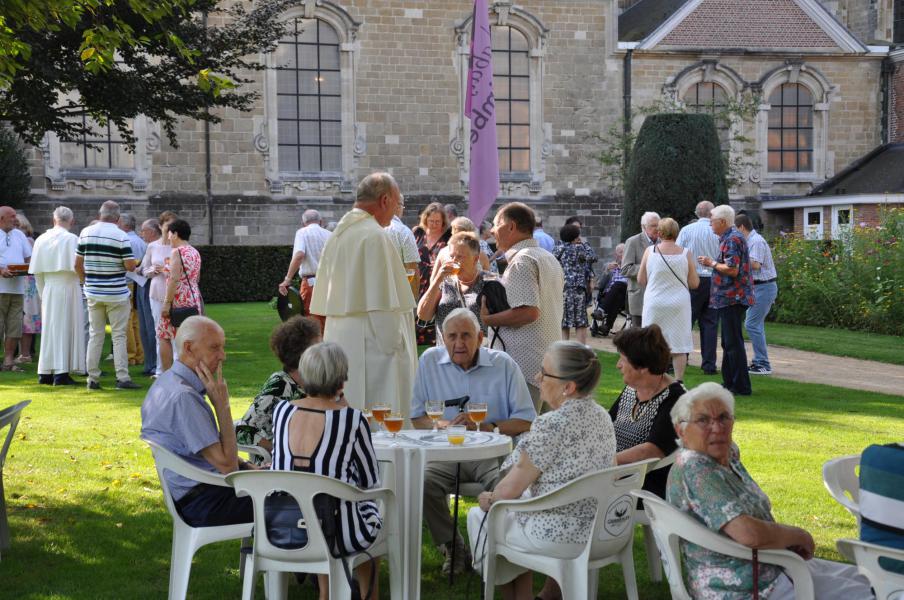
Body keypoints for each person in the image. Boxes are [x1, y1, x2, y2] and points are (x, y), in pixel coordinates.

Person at [668, 382, 873, 600]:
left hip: (774, 566)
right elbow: (749, 534)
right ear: (681, 429)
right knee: (876, 593)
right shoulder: (696, 469)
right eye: (703, 420)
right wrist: (798, 536)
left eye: (723, 418)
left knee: (875, 580)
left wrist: (784, 544)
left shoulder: (726, 455)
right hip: (747, 587)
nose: (717, 428)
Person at [467, 341, 616, 600]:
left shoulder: (550, 424)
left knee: (479, 517)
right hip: (602, 528)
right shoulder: (602, 416)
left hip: (558, 535)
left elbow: (508, 491)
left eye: (545, 373)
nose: (538, 378)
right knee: (507, 514)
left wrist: (489, 498)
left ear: (568, 387)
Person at [410, 309, 535, 574]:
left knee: (504, 489)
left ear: (480, 337)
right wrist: (444, 426)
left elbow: (526, 420)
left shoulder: (503, 364)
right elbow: (417, 417)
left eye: (466, 336)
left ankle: (507, 553)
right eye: (452, 336)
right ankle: (454, 548)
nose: (459, 343)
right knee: (422, 482)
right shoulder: (429, 361)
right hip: (445, 453)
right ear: (442, 339)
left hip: (488, 454)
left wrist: (489, 426)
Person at [269, 341, 381, 599]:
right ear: (341, 379)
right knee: (370, 510)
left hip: (282, 525)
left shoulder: (282, 411)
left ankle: (327, 592)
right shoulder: (352, 419)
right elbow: (369, 480)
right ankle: (368, 595)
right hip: (335, 531)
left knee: (324, 501)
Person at [310, 172, 417, 417]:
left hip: (340, 340)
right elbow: (384, 308)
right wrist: (398, 346)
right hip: (373, 347)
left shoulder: (337, 234)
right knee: (378, 417)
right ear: (385, 200)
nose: (396, 211)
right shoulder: (375, 236)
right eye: (397, 203)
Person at [141, 316, 256, 527]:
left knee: (287, 494)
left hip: (199, 495)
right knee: (299, 500)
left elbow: (216, 453)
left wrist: (250, 468)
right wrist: (223, 407)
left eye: (223, 347)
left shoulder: (166, 381)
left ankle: (262, 558)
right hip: (204, 502)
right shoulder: (184, 397)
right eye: (215, 348)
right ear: (189, 348)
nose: (223, 356)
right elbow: (227, 467)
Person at [481, 202, 564, 412]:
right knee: (543, 437)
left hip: (525, 368)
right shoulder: (547, 257)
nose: (491, 230)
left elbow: (529, 312)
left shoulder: (522, 261)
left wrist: (488, 319)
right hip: (547, 362)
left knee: (521, 433)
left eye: (496, 224)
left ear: (511, 226)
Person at [609, 325, 684, 498]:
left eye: (622, 359)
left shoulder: (675, 399)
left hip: (642, 483)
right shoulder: (633, 389)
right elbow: (606, 424)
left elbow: (651, 451)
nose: (618, 365)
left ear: (642, 366)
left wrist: (602, 462)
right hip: (614, 473)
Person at [235, 315, 322, 460]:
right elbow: (242, 431)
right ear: (302, 354)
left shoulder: (316, 382)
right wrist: (280, 450)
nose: (324, 352)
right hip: (279, 470)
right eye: (318, 347)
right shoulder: (280, 384)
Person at [76, 200, 139, 390]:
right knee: (119, 336)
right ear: (118, 218)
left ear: (100, 214)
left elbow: (77, 264)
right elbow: (129, 265)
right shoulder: (120, 235)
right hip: (117, 293)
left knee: (96, 336)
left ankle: (92, 379)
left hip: (93, 292)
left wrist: (85, 282)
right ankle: (122, 377)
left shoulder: (85, 232)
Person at [698, 205, 754, 396]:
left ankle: (741, 386)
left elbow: (732, 269)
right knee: (729, 342)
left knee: (733, 343)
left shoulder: (731, 239)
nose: (710, 224)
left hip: (732, 296)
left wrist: (711, 263)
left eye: (712, 220)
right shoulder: (730, 238)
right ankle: (730, 382)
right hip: (729, 297)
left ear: (722, 222)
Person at [28, 206, 85, 385]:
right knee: (65, 329)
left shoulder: (41, 239)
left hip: (50, 289)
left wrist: (43, 293)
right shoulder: (72, 239)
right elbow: (78, 267)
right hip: (69, 287)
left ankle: (45, 372)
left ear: (54, 220)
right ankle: (60, 373)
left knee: (51, 330)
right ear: (72, 221)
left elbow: (37, 273)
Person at [638, 217, 699, 382]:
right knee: (679, 344)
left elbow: (641, 279)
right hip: (678, 303)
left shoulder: (650, 252)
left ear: (659, 232)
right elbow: (694, 283)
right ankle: (678, 381)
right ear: (676, 232)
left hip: (655, 301)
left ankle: (652, 378)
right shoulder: (686, 253)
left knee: (652, 343)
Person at [417, 231, 490, 345]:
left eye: (460, 257)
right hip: (446, 353)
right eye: (451, 256)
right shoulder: (444, 282)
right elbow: (423, 315)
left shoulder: (488, 282)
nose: (454, 261)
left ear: (475, 259)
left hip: (479, 353)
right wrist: (437, 280)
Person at [676, 201, 721, 375]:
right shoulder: (716, 231)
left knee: (687, 321)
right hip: (713, 279)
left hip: (692, 280)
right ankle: (709, 364)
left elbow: (678, 253)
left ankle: (682, 358)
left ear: (696, 213)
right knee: (710, 323)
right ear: (712, 214)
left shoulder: (687, 230)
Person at [736, 214, 778, 376]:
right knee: (755, 324)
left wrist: (735, 262)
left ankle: (763, 363)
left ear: (741, 227)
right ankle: (759, 361)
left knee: (751, 324)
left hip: (764, 287)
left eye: (735, 229)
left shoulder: (756, 241)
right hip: (758, 287)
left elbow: (755, 264)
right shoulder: (750, 241)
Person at [158, 219, 203, 372]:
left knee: (164, 335)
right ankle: (191, 373)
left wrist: (167, 303)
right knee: (188, 338)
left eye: (169, 234)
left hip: (178, 299)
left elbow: (174, 279)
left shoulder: (177, 252)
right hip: (193, 297)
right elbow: (196, 278)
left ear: (175, 234)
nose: (168, 237)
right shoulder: (194, 252)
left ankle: (168, 375)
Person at [278, 208, 331, 329]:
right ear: (321, 221)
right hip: (330, 283)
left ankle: (314, 347)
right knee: (328, 319)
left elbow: (299, 255)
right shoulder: (330, 235)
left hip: (311, 284)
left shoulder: (302, 233)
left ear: (303, 223)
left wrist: (287, 279)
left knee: (311, 320)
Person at [413, 202, 451, 345]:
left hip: (438, 281)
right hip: (418, 279)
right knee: (416, 310)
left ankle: (434, 342)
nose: (434, 224)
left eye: (438, 221)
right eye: (431, 221)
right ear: (425, 220)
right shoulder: (417, 233)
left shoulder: (449, 236)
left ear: (443, 221)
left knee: (433, 310)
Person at [553, 224, 597, 344]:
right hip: (578, 289)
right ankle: (581, 350)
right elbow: (593, 257)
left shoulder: (558, 248)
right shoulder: (581, 249)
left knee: (564, 322)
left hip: (563, 289)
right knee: (580, 322)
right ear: (574, 237)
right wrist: (584, 244)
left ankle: (563, 349)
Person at [141, 216, 174, 378]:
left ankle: (176, 368)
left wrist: (167, 270)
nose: (170, 231)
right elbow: (143, 269)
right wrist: (152, 271)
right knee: (158, 331)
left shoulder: (177, 246)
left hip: (175, 293)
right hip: (156, 291)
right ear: (160, 227)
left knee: (176, 332)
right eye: (167, 227)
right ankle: (160, 369)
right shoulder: (152, 246)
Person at [0, 206, 31, 372]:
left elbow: (29, 257)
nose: (16, 219)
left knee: (14, 326)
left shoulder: (19, 235)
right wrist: (1, 270)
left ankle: (8, 361)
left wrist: (27, 268)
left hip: (17, 288)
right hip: (0, 289)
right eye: (12, 216)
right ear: (2, 218)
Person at [622, 211, 660, 327]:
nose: (657, 228)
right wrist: (648, 267)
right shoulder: (633, 241)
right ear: (644, 227)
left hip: (658, 294)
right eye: (653, 226)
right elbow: (625, 269)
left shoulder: (663, 242)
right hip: (640, 294)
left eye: (658, 225)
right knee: (639, 332)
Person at [119, 212, 147, 368]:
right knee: (136, 320)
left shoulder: (126, 240)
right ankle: (139, 354)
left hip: (127, 282)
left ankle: (130, 355)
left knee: (127, 321)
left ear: (124, 224)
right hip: (139, 283)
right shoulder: (141, 242)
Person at [136, 219, 160, 377]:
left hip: (151, 287)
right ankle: (149, 363)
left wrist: (141, 270)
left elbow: (148, 268)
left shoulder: (157, 246)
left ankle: (154, 364)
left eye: (144, 230)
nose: (141, 234)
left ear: (152, 231)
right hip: (142, 285)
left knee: (151, 327)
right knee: (144, 327)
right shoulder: (150, 246)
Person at [384, 194, 421, 297]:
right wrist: (413, 303)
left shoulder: (366, 228)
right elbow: (412, 270)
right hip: (397, 298)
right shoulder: (403, 232)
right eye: (402, 206)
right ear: (397, 206)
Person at [15, 213, 39, 364]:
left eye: (19, 226)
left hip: (27, 283)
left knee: (27, 319)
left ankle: (25, 354)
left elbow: (28, 261)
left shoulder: (28, 240)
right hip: (21, 282)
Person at [591, 243, 628, 337]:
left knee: (619, 284)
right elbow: (600, 285)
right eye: (620, 252)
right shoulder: (608, 266)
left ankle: (601, 310)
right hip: (609, 296)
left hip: (626, 297)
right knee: (617, 297)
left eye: (624, 252)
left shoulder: (630, 267)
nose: (622, 255)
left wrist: (624, 268)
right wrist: (606, 271)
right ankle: (607, 326)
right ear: (615, 254)